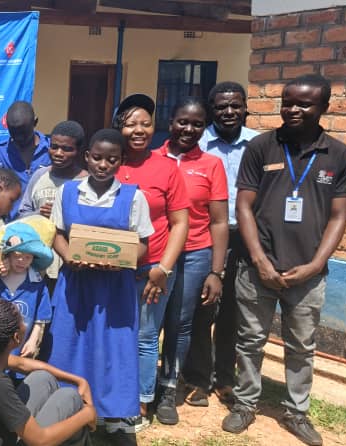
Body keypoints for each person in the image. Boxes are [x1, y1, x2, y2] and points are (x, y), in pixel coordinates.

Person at [222, 74, 346, 446]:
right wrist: (259, 260)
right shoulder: (261, 147)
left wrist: (315, 265)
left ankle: (296, 412)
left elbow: (338, 216)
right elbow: (244, 207)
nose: (292, 109)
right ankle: (245, 403)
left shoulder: (339, 155)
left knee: (302, 346)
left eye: (303, 104)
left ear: (324, 107)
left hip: (308, 272)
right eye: (287, 102)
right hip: (256, 267)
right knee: (250, 340)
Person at [46, 129, 154, 445]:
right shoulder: (68, 192)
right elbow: (57, 234)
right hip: (76, 283)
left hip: (114, 288)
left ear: (122, 161)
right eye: (97, 157)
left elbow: (143, 243)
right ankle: (68, 409)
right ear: (87, 157)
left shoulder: (133, 197)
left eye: (112, 159)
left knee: (114, 347)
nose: (103, 165)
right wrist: (69, 256)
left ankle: (115, 417)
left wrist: (122, 260)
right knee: (70, 343)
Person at [113, 94, 190, 432]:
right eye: (131, 124)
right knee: (116, 333)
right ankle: (113, 395)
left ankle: (141, 403)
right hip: (114, 269)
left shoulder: (167, 168)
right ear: (119, 127)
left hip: (153, 268)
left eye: (145, 123)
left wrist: (163, 270)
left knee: (145, 336)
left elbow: (180, 223)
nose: (139, 130)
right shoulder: (110, 162)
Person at [152, 97, 229, 425]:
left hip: (195, 254)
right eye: (183, 121)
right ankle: (144, 386)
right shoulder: (152, 158)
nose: (189, 129)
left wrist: (216, 271)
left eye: (197, 124)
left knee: (180, 323)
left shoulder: (211, 165)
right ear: (170, 122)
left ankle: (168, 388)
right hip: (156, 253)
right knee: (149, 323)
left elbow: (219, 222)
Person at [184, 81, 259, 407]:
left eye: (235, 105)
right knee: (203, 309)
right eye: (221, 106)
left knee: (233, 310)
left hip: (244, 236)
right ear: (211, 110)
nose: (229, 111)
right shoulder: (197, 143)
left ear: (245, 108)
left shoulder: (259, 144)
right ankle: (198, 378)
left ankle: (225, 378)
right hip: (207, 236)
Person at [0, 298, 97, 446]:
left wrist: (78, 380)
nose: (25, 323)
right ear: (16, 338)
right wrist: (87, 414)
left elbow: (22, 364)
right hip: (32, 440)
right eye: (22, 321)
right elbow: (41, 441)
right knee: (70, 397)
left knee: (43, 378)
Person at [18, 120, 88, 292]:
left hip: (72, 267)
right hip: (37, 265)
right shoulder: (39, 175)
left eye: (67, 149)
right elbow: (22, 214)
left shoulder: (87, 182)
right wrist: (38, 214)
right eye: (54, 147)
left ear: (79, 151)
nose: (58, 153)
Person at [0, 222, 55, 370]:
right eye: (17, 256)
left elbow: (40, 318)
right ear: (7, 254)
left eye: (27, 257)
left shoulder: (37, 283)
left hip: (19, 354)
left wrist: (33, 341)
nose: (22, 261)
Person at [0, 101, 52, 210]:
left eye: (23, 132)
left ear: (35, 122)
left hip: (44, 218)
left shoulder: (52, 149)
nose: (19, 137)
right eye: (13, 132)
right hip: (12, 219)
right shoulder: (0, 152)